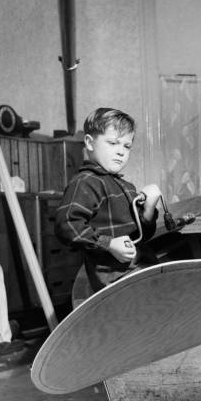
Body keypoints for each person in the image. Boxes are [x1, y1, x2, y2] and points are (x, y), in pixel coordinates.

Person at [55, 107, 161, 293]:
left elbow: (142, 234)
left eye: (126, 146)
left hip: (139, 265)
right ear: (89, 143)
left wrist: (149, 210)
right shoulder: (86, 182)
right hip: (114, 277)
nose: (121, 152)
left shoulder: (126, 187)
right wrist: (108, 243)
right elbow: (67, 225)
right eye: (113, 143)